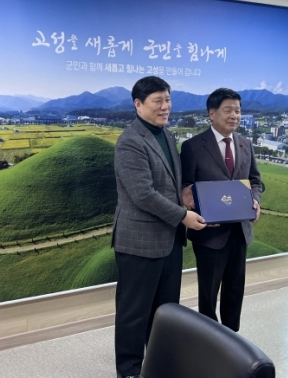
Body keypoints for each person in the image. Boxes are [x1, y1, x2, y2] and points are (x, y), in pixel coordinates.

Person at [112, 76, 206, 378]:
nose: (165, 107)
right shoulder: (130, 142)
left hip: (169, 240)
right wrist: (182, 216)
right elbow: (142, 194)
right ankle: (129, 370)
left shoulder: (166, 135)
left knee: (166, 309)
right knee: (133, 311)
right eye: (158, 101)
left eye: (167, 99)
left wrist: (185, 194)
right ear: (138, 105)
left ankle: (160, 361)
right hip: (138, 240)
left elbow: (168, 184)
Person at [180, 87, 262, 332]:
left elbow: (256, 181)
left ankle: (231, 335)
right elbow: (183, 184)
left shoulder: (245, 144)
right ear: (212, 113)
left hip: (239, 229)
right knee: (209, 290)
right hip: (209, 232)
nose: (234, 115)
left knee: (235, 287)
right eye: (228, 110)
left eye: (237, 110)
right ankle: (208, 336)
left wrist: (255, 199)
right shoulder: (193, 146)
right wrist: (191, 198)